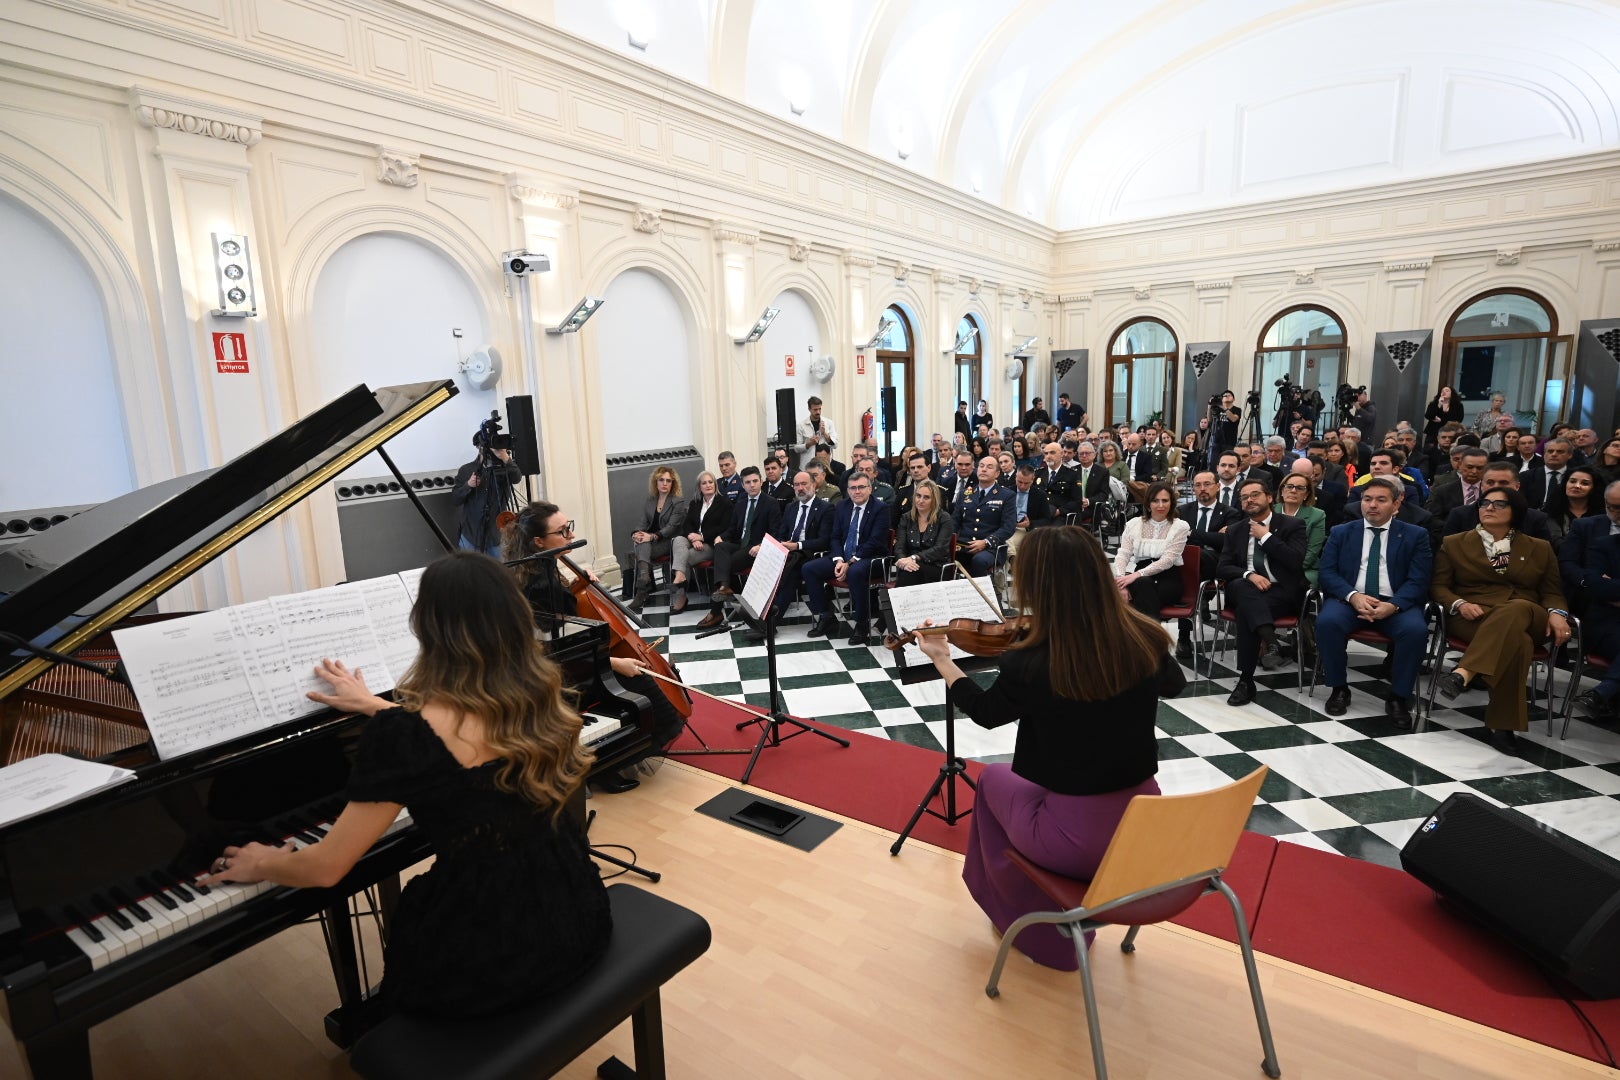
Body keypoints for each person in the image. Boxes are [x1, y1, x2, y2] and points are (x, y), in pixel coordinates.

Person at [205, 551, 611, 1017]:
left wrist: (266, 862)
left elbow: (325, 870)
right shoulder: (539, 695)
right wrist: (375, 706)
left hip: (495, 956)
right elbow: (458, 735)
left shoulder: (407, 736)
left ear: (428, 628)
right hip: (574, 912)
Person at [915, 526, 1184, 971]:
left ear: (1038, 585)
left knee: (992, 782)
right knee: (1011, 783)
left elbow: (985, 711)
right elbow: (1173, 684)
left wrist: (943, 659)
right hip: (1144, 822)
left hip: (1076, 839)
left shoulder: (1033, 658)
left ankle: (1025, 920)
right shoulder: (1143, 636)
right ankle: (1035, 911)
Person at [504, 504, 684, 784]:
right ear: (539, 542)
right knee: (648, 695)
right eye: (562, 531)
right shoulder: (541, 584)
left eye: (568, 526)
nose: (570, 534)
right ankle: (606, 767)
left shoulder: (538, 567)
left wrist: (576, 586)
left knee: (645, 681)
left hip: (568, 661)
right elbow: (557, 651)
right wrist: (615, 663)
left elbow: (561, 621)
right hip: (561, 676)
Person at [1431, 488, 1571, 754]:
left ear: (1515, 512)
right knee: (1518, 642)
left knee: (1517, 608)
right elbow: (1439, 587)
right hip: (1475, 615)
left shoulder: (1539, 547)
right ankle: (1503, 726)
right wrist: (1460, 604)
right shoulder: (1454, 542)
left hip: (1529, 613)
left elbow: (1552, 591)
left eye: (1499, 504)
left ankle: (1464, 673)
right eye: (1484, 502)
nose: (1489, 507)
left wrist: (1557, 613)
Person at [1315, 478, 1435, 728]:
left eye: (1381, 500)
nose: (1372, 505)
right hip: (1350, 599)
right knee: (1327, 622)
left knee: (1416, 631)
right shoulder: (1341, 532)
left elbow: (1419, 579)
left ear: (1396, 504)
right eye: (1367, 499)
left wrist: (1394, 605)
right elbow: (1327, 572)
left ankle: (1398, 697)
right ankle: (1339, 688)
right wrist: (1353, 596)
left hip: (1396, 603)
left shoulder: (1415, 535)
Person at [1218, 477, 1310, 705]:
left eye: (1254, 495)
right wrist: (1250, 575)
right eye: (1244, 497)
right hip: (1248, 589)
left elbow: (1295, 561)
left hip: (1281, 592)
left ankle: (1246, 681)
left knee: (1246, 610)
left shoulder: (1291, 525)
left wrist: (1266, 537)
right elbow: (1223, 566)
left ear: (1269, 498)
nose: (1249, 500)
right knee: (1241, 585)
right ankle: (1271, 643)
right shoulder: (1235, 530)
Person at [802, 471, 891, 645]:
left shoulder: (881, 509)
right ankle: (826, 616)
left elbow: (875, 541)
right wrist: (838, 560)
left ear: (870, 489)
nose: (857, 492)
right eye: (853, 488)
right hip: (844, 558)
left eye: (861, 487)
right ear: (848, 490)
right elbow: (835, 537)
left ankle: (862, 624)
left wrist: (850, 562)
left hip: (872, 558)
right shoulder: (843, 506)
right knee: (809, 568)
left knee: (855, 572)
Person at [697, 466, 781, 629]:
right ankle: (724, 587)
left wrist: (760, 545)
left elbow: (775, 533)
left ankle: (716, 611)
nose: (752, 485)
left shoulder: (771, 503)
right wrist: (721, 537)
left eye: (755, 481)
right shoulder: (741, 503)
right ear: (742, 485)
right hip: (740, 544)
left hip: (757, 548)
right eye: (748, 482)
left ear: (761, 482)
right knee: (720, 547)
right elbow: (733, 529)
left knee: (725, 563)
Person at [1566, 482, 1620, 722]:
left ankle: (1601, 694)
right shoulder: (1604, 544)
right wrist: (1606, 587)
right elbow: (1597, 586)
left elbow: (1608, 586)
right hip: (1607, 624)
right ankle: (1604, 695)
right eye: (1615, 508)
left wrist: (1614, 585)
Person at [1112, 482, 1190, 618]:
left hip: (1168, 580)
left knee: (1141, 588)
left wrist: (1136, 575)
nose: (1161, 505)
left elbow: (1168, 561)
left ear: (1171, 503)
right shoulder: (1134, 524)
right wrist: (1121, 583)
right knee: (1142, 585)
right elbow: (1123, 554)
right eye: (1155, 501)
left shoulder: (1180, 527)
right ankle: (1153, 637)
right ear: (1148, 503)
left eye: (1165, 500)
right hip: (1141, 581)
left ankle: (1143, 637)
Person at [668, 471, 731, 613]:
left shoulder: (724, 503)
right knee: (678, 540)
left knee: (685, 557)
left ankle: (681, 595)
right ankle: (680, 576)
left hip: (711, 544)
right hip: (694, 540)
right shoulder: (695, 502)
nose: (708, 485)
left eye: (710, 482)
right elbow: (687, 524)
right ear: (699, 486)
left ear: (715, 484)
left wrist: (702, 537)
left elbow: (724, 527)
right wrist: (692, 536)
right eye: (704, 483)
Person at [627, 465, 685, 612]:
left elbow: (672, 527)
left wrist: (652, 536)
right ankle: (644, 579)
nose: (665, 483)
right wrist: (635, 533)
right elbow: (642, 523)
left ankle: (642, 588)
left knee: (643, 543)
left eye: (668, 481)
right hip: (651, 543)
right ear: (656, 482)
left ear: (673, 483)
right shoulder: (651, 500)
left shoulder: (677, 501)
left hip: (670, 542)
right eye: (661, 480)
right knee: (640, 541)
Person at [451, 437, 521, 556]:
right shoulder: (466, 470)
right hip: (471, 535)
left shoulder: (505, 467)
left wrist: (505, 457)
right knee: (470, 572)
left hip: (498, 535)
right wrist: (468, 485)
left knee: (500, 572)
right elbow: (455, 499)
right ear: (479, 447)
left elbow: (516, 478)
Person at [953, 456, 1017, 577]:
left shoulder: (1007, 495)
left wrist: (986, 542)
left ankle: (987, 593)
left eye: (989, 467)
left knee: (979, 561)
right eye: (981, 466)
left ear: (997, 473)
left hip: (991, 548)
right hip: (964, 545)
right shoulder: (966, 493)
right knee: (942, 556)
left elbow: (1008, 527)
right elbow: (955, 521)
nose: (983, 469)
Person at [892, 478, 955, 587]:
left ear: (934, 500)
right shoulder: (906, 518)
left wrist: (914, 558)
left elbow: (940, 549)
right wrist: (903, 560)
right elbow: (899, 546)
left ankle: (894, 603)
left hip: (936, 566)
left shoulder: (944, 518)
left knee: (910, 572)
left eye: (926, 497)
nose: (921, 500)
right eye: (918, 496)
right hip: (910, 564)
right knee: (909, 570)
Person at [1276, 465, 1327, 590]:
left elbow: (1311, 553)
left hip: (1303, 568)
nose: (1293, 491)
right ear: (1282, 491)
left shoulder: (1317, 515)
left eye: (1300, 488)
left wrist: (1284, 571)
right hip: (1269, 566)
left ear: (1306, 494)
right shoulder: (1270, 511)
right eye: (1289, 486)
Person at [1544, 465, 1602, 551]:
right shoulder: (1551, 512)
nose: (1577, 486)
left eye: (1584, 483)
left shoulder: (1602, 515)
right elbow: (1554, 541)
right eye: (1572, 481)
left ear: (1594, 488)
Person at [1006, 465, 1051, 562]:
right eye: (1020, 482)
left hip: (1026, 529)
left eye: (1026, 483)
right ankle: (1013, 561)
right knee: (1004, 536)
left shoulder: (1040, 495)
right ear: (1016, 477)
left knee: (1007, 540)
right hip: (1008, 526)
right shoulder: (1007, 491)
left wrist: (1030, 523)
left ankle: (1013, 562)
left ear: (1032, 479)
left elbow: (1046, 519)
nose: (1022, 486)